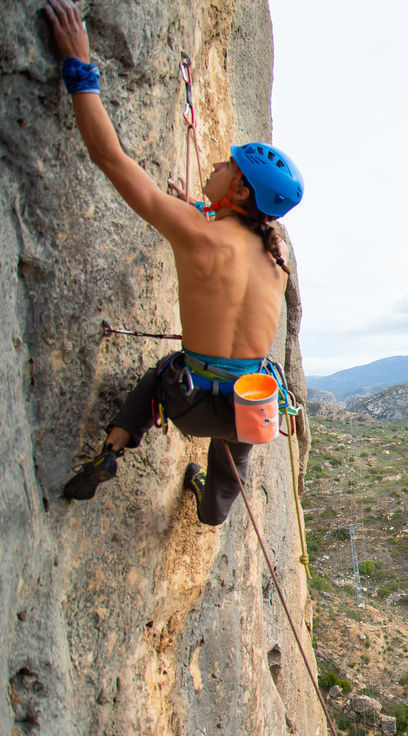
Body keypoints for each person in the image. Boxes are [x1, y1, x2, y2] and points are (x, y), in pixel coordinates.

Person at [49, 0, 304, 525]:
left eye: (226, 165)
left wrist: (80, 68)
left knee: (162, 372)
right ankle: (209, 509)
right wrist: (202, 205)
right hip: (247, 409)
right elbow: (238, 241)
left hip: (187, 401)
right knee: (229, 478)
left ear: (238, 187)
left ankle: (116, 447)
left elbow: (111, 158)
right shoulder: (276, 258)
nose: (213, 162)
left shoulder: (196, 233)